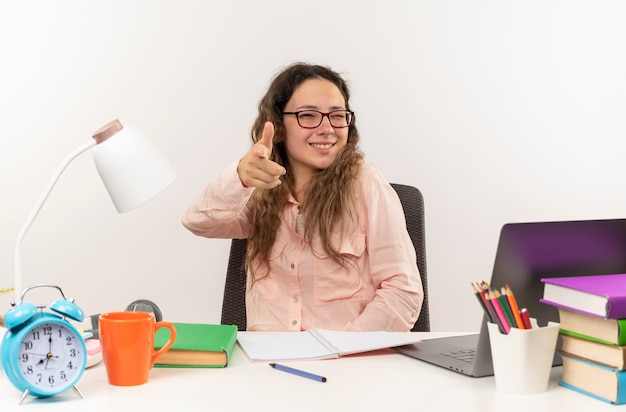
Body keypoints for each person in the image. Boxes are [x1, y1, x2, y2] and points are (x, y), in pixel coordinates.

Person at [182, 62, 423, 332]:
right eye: (308, 115)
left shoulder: (367, 185)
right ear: (278, 124)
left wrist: (339, 347)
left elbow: (403, 293)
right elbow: (198, 221)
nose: (327, 128)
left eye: (337, 115)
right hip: (268, 364)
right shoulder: (258, 188)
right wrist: (240, 175)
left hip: (347, 363)